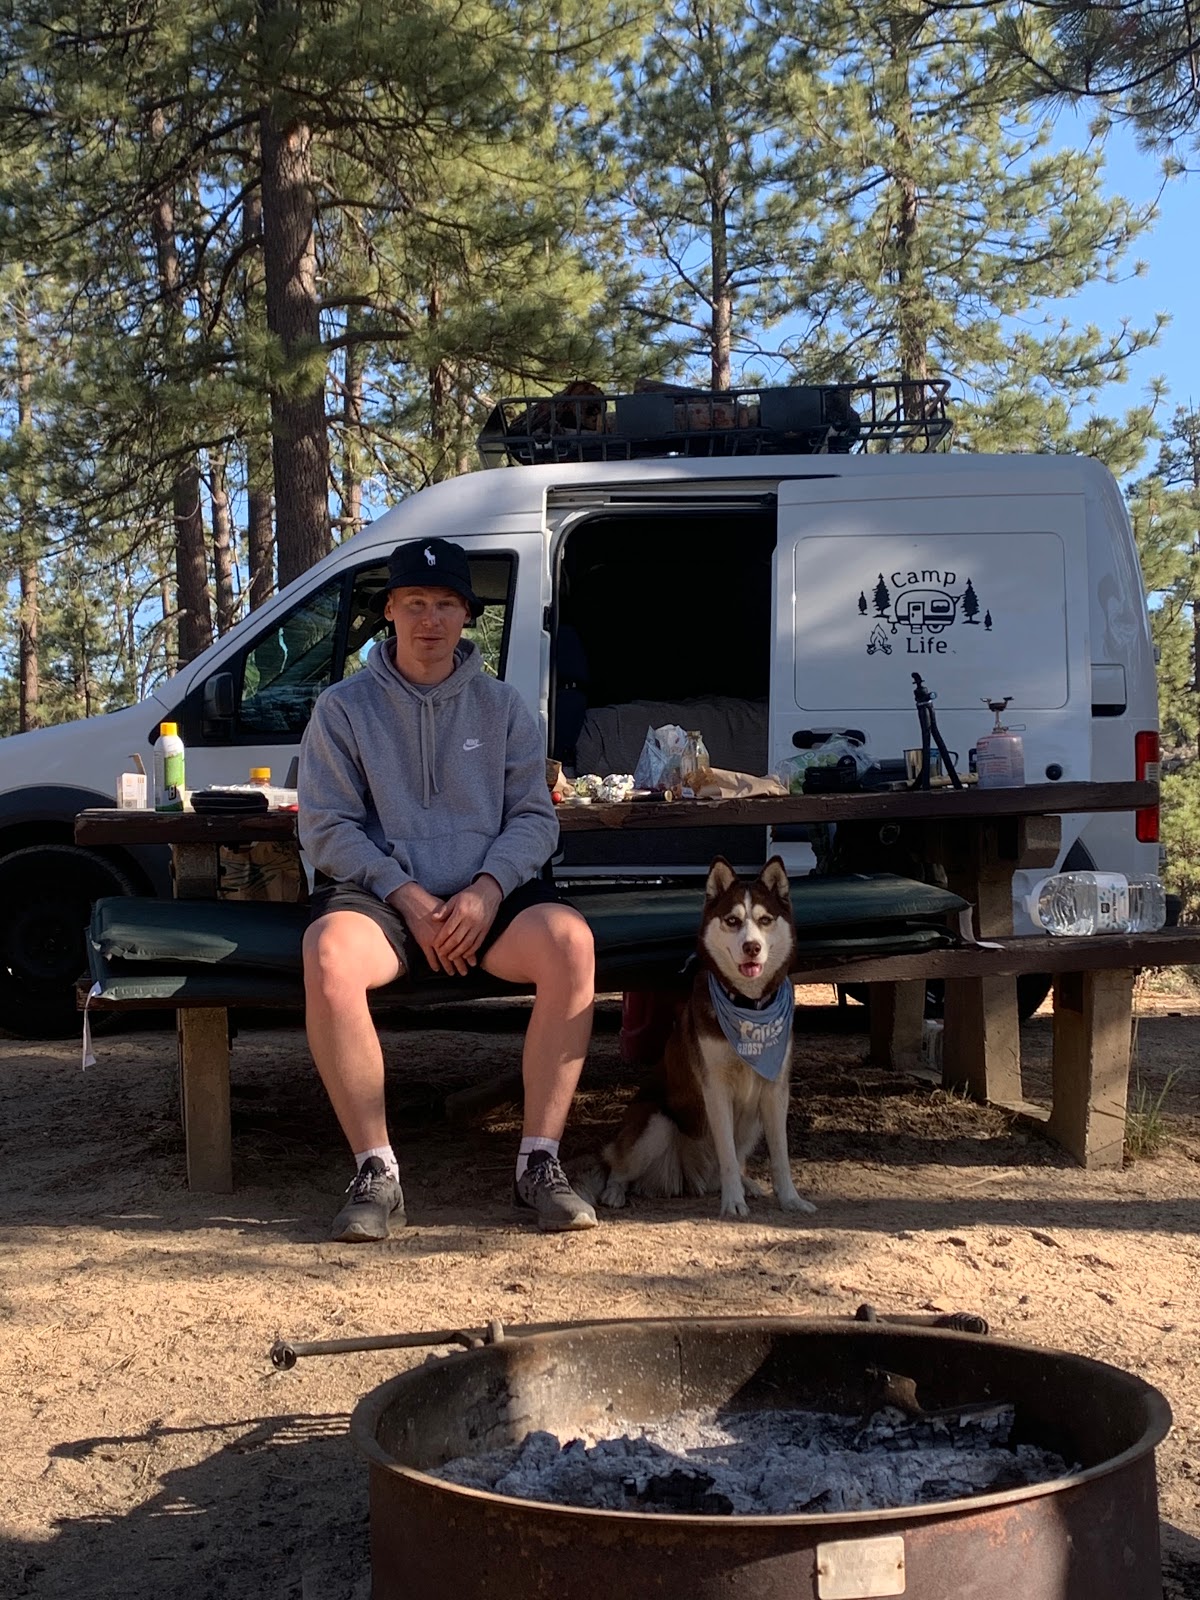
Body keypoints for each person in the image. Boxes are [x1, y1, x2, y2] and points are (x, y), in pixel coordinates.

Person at [298, 536, 598, 1240]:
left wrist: (489, 889)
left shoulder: (504, 709)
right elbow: (325, 828)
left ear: (467, 616)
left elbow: (533, 816)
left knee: (571, 943)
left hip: (484, 899)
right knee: (329, 955)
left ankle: (539, 1162)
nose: (429, 618)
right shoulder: (342, 711)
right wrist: (404, 893)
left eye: (444, 604)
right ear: (390, 614)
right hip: (385, 900)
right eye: (413, 603)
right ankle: (376, 1172)